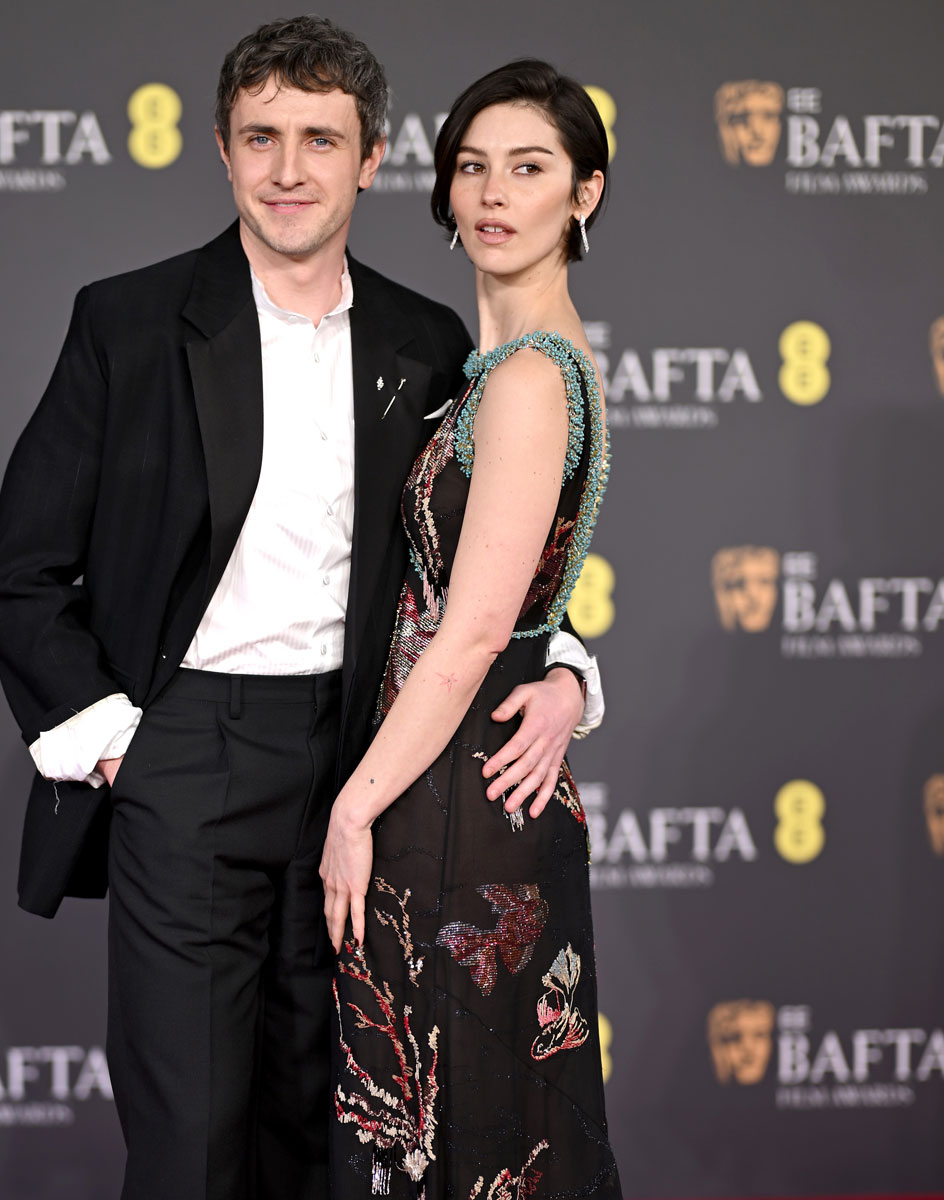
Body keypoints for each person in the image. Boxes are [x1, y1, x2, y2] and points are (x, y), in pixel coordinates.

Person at [0, 20, 603, 1200]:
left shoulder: (429, 345)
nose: (289, 168)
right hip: (188, 765)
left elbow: (474, 562)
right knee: (189, 1144)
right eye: (261, 137)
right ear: (221, 149)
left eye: (322, 139)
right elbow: (22, 573)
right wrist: (130, 752)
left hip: (370, 766)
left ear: (369, 161)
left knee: (341, 1138)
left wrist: (568, 669)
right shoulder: (126, 322)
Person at [321, 60, 621, 1197]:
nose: (493, 193)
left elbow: (476, 628)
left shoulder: (535, 378)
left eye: (529, 168)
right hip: (458, 790)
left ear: (581, 195)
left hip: (460, 816)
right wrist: (571, 678)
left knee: (473, 1141)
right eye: (472, 167)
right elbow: (525, 613)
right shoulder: (497, 366)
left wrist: (353, 807)